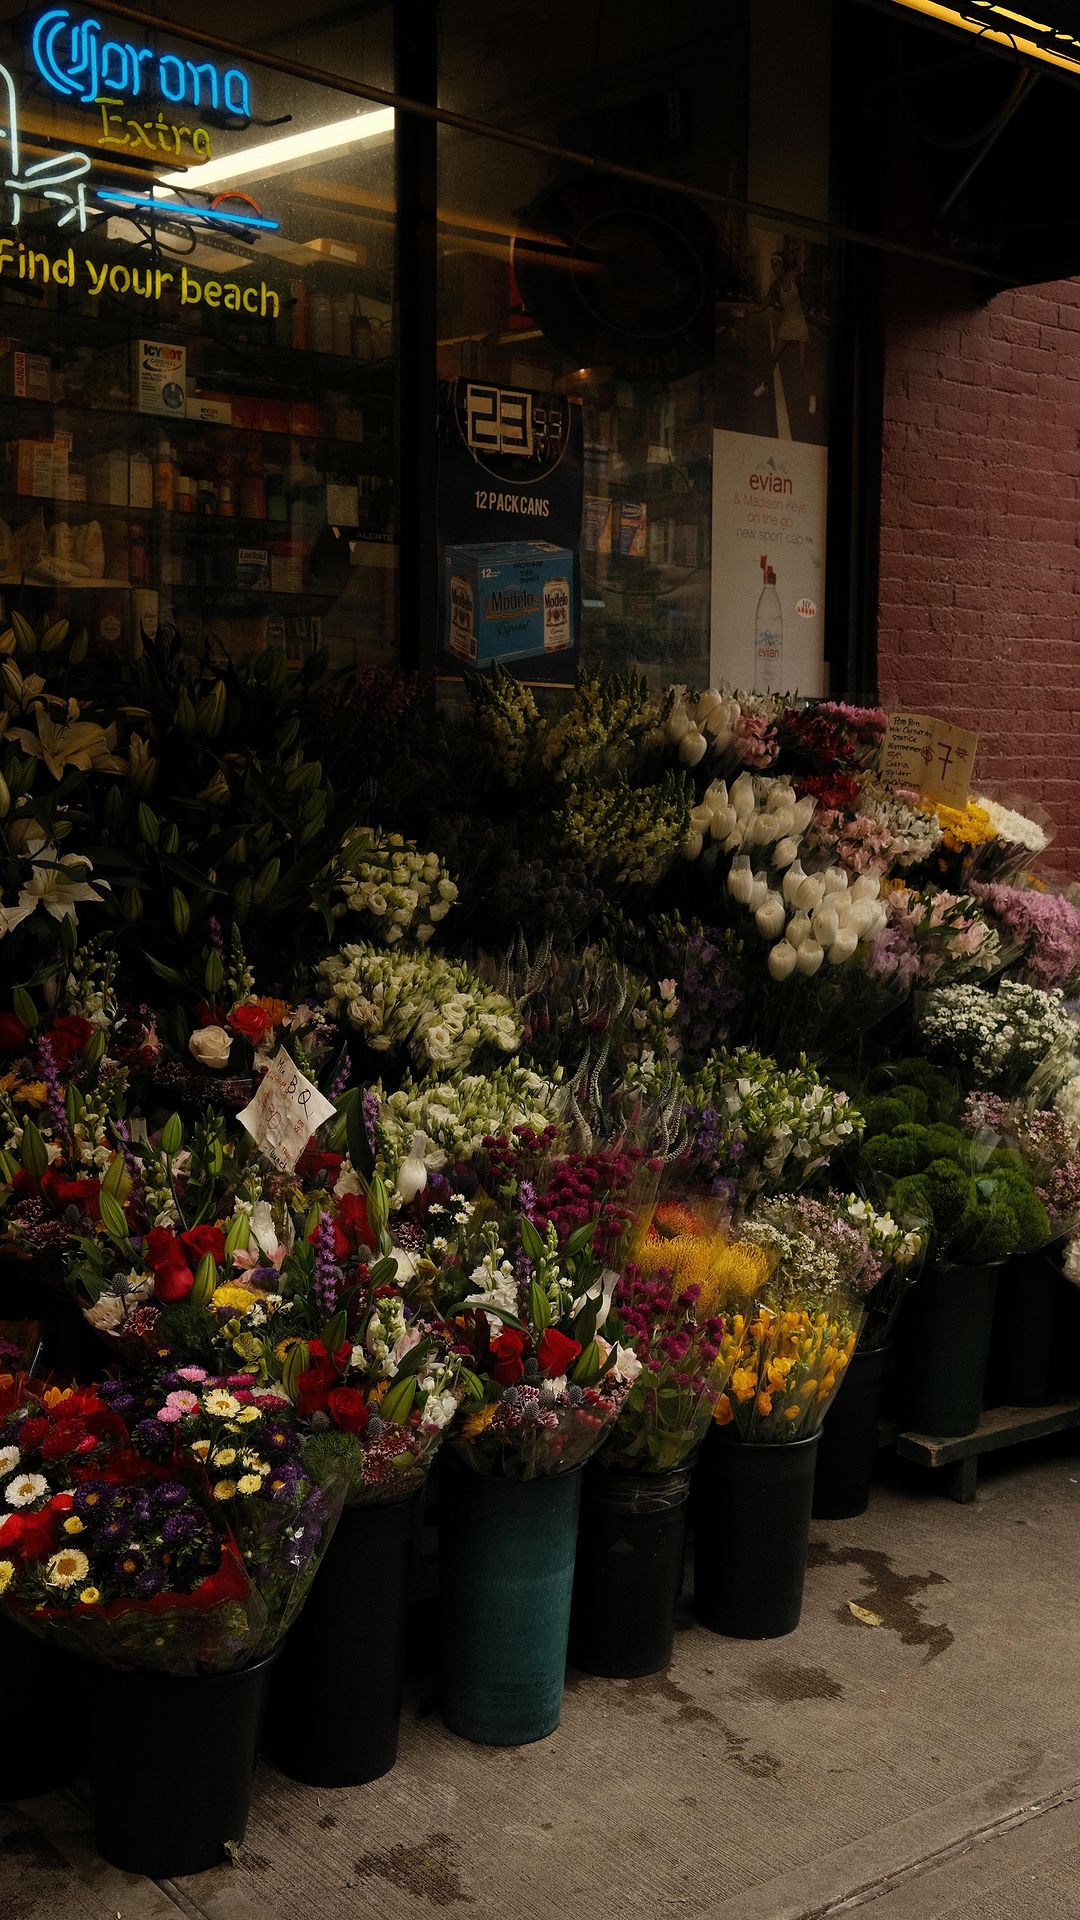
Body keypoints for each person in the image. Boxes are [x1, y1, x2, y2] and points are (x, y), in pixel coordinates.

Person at [752, 252, 816, 413]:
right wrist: (749, 312)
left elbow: (807, 288)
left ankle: (812, 396)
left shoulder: (794, 277)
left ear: (783, 265)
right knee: (773, 357)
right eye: (772, 265)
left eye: (776, 264)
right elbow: (763, 305)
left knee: (802, 364)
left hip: (800, 324)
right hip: (787, 325)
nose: (774, 268)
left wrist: (807, 305)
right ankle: (765, 385)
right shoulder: (775, 286)